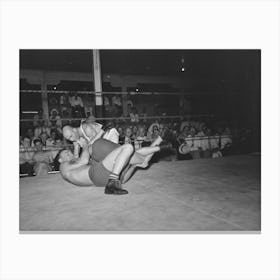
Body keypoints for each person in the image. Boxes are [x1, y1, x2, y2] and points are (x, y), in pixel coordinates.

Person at [57, 133, 171, 195]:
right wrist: (86, 145)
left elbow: (80, 161)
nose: (69, 154)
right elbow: (84, 160)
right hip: (96, 174)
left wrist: (135, 167)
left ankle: (158, 145)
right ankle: (113, 181)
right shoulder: (63, 166)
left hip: (99, 180)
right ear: (59, 160)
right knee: (127, 147)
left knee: (133, 156)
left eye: (69, 152)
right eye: (66, 153)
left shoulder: (69, 168)